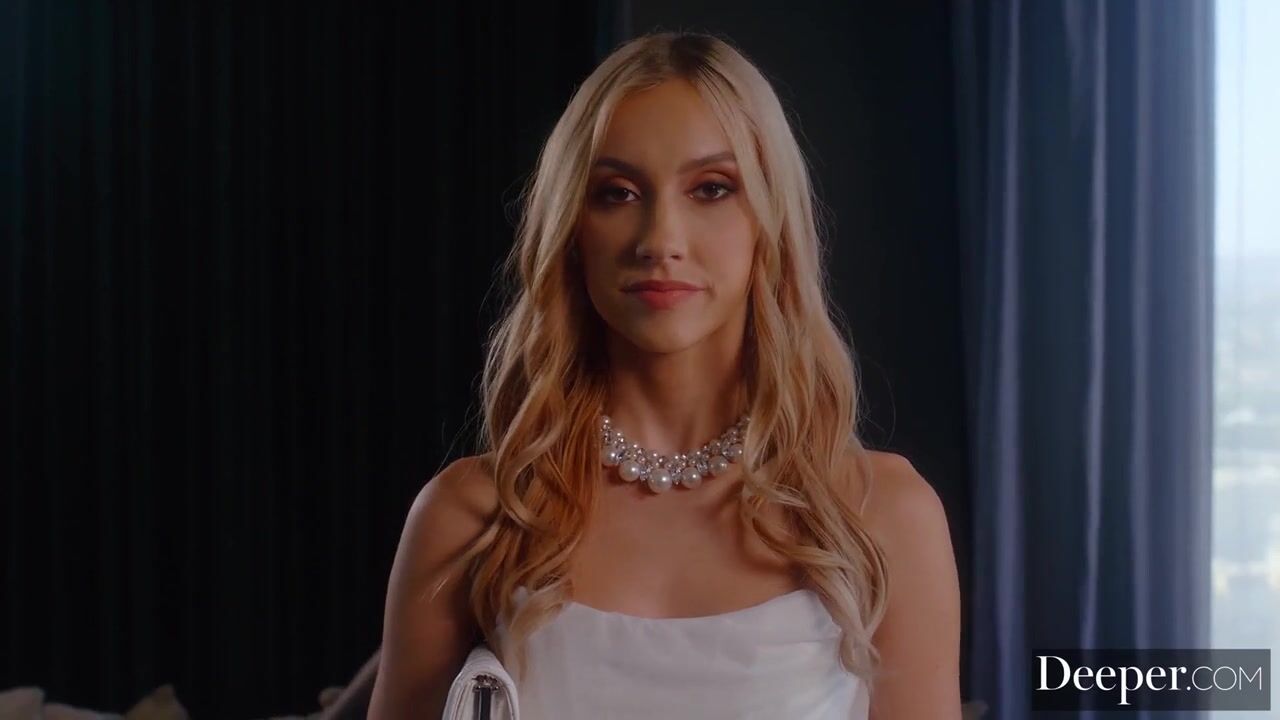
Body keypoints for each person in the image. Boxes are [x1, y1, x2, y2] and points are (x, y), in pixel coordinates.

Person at [368, 30, 961, 719]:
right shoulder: (473, 517)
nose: (660, 241)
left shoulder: (882, 515)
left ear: (769, 220)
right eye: (617, 193)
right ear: (572, 229)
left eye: (711, 189)